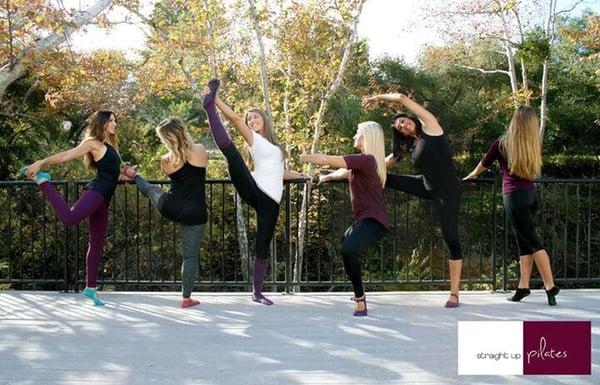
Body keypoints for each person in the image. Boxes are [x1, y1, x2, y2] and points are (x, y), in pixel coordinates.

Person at [201, 79, 306, 305]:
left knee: (263, 243)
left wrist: (304, 177)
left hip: (271, 201)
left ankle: (256, 292)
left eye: (255, 116)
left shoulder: (276, 148)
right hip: (253, 186)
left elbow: (281, 172)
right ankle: (208, 107)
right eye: (250, 118)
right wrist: (214, 99)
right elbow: (235, 118)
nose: (251, 120)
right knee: (232, 155)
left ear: (264, 120)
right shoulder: (253, 138)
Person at [363, 92, 463, 308]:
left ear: (410, 118)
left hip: (447, 193)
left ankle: (454, 293)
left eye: (402, 121)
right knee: (383, 177)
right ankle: (347, 174)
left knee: (451, 239)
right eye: (399, 128)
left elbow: (401, 97)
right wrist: (350, 168)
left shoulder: (431, 127)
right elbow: (383, 163)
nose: (402, 126)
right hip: (425, 186)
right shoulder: (410, 146)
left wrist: (378, 98)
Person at [22, 110, 127, 305]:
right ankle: (43, 182)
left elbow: (113, 174)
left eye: (115, 120)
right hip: (96, 192)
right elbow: (65, 156)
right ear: (102, 123)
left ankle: (91, 288)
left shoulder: (110, 145)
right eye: (111, 120)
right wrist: (41, 162)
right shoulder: (92, 143)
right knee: (68, 219)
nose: (115, 124)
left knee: (96, 243)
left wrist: (128, 176)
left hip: (105, 197)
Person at [464, 106, 560, 306]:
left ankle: (550, 286)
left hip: (514, 197)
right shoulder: (531, 144)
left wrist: (473, 175)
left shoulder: (502, 143)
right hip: (530, 195)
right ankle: (523, 287)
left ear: (514, 122)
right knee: (524, 242)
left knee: (533, 242)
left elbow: (484, 163)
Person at [300, 121, 388, 316]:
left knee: (348, 249)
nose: (354, 136)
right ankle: (359, 290)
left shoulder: (365, 159)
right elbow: (344, 171)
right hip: (366, 220)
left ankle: (360, 299)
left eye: (358, 133)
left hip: (374, 221)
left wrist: (306, 157)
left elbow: (326, 158)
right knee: (345, 243)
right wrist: (328, 177)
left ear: (367, 136)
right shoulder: (367, 162)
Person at [122, 118, 207, 308]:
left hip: (171, 206)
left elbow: (177, 176)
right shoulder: (200, 150)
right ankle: (186, 298)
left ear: (167, 139)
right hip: (196, 212)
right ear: (182, 131)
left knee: (151, 189)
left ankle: (133, 174)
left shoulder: (166, 160)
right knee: (190, 257)